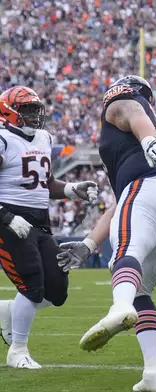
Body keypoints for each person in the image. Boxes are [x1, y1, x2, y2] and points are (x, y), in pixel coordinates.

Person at [63, 75, 156, 391]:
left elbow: (133, 111)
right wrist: (88, 243)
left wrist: (147, 139)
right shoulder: (136, 138)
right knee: (141, 291)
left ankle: (118, 307)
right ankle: (154, 375)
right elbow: (121, 204)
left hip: (149, 188)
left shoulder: (124, 103)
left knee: (125, 255)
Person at [0, 86, 97, 369]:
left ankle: (9, 309)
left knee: (56, 289)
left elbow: (45, 183)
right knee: (31, 283)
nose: (34, 116)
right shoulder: (3, 139)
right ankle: (18, 351)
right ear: (9, 112)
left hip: (40, 221)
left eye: (35, 110)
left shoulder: (44, 137)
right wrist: (5, 217)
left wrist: (73, 188)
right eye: (27, 110)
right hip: (10, 221)